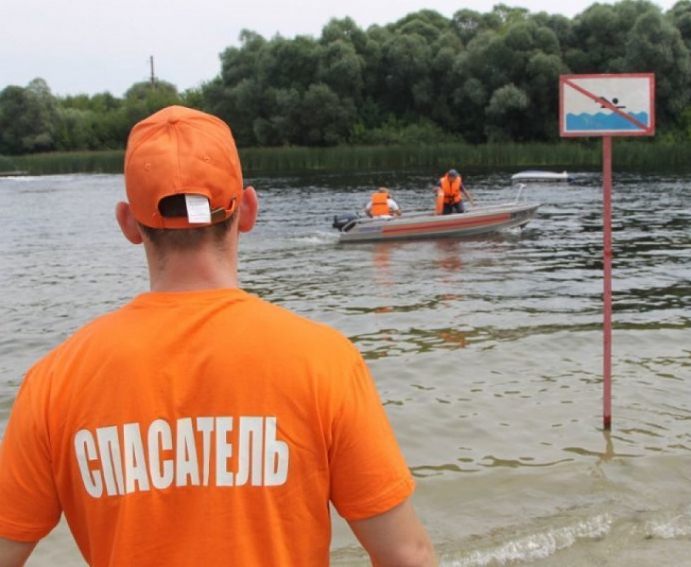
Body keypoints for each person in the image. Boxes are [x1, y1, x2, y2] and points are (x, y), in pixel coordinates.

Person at [0, 106, 436, 567]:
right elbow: (407, 555)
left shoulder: (54, 381)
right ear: (247, 209)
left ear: (128, 222)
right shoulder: (324, 361)